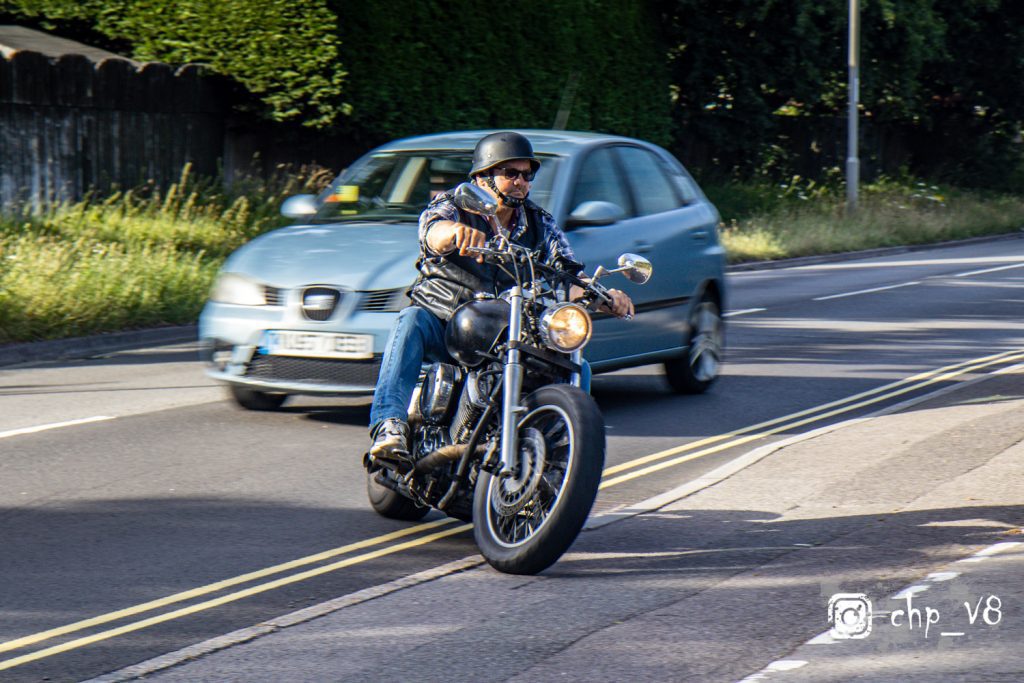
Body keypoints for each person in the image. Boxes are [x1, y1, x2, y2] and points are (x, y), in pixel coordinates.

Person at [367, 131, 633, 463]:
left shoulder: (541, 223)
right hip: (446, 322)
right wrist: (454, 233)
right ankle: (389, 425)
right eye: (511, 173)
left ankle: (562, 456)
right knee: (411, 321)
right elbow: (432, 231)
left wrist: (602, 295)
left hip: (501, 333)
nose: (521, 182)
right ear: (483, 177)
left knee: (578, 366)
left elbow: (567, 272)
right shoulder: (454, 205)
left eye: (527, 175)